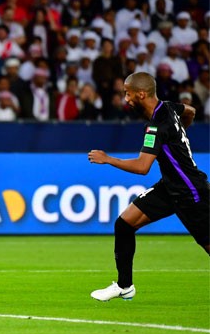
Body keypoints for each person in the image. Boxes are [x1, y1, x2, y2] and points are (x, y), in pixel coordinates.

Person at [87, 72, 209, 302]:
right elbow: (190, 111)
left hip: (190, 192)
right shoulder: (169, 107)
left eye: (128, 94)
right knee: (124, 224)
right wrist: (179, 136)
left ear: (141, 94)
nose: (126, 99)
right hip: (170, 186)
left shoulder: (156, 126)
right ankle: (124, 286)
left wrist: (108, 159)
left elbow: (142, 167)